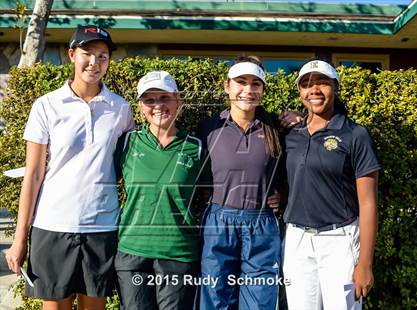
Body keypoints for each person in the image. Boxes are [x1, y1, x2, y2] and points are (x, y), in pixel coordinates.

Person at [6, 26, 134, 309]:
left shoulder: (121, 109)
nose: (94, 62)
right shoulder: (47, 105)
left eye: (102, 56)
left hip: (101, 227)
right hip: (51, 226)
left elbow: (128, 169)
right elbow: (34, 175)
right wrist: (19, 239)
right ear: (72, 55)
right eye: (87, 53)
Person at [282, 59, 380, 310]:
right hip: (297, 241)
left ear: (335, 87)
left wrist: (365, 264)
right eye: (306, 84)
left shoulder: (355, 134)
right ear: (299, 92)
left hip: (340, 240)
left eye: (322, 82)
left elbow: (368, 203)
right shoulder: (292, 134)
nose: (313, 90)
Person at [114, 71, 206, 310]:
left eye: (164, 97)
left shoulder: (196, 147)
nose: (158, 106)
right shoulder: (126, 142)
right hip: (132, 251)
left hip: (179, 253)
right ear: (140, 106)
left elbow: (220, 189)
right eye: (149, 100)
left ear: (178, 100)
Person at [199, 56, 283, 310]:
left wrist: (283, 194)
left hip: (262, 224)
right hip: (219, 222)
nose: (248, 90)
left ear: (263, 90)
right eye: (241, 82)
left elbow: (293, 171)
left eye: (255, 84)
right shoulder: (208, 127)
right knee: (215, 299)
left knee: (260, 302)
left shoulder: (276, 127)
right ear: (227, 86)